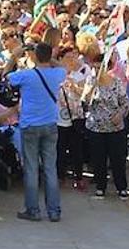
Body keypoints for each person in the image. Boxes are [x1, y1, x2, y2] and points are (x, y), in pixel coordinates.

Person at [6, 42, 66, 222]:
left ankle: (33, 210)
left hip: (29, 125)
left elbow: (6, 76)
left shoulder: (25, 75)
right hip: (50, 124)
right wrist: (47, 57)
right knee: (50, 168)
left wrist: (14, 56)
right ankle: (54, 211)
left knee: (31, 169)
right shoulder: (57, 73)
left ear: (34, 56)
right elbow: (61, 66)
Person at [83, 53, 129, 198]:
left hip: (114, 127)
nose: (97, 70)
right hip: (96, 126)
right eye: (95, 67)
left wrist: (120, 114)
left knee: (118, 159)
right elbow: (85, 103)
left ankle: (121, 187)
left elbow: (125, 102)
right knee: (99, 158)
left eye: (100, 67)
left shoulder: (116, 82)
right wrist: (92, 87)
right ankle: (100, 186)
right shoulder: (90, 81)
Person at [56, 45, 87, 189]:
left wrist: (74, 86)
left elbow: (85, 94)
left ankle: (78, 176)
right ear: (60, 59)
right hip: (59, 116)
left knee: (77, 148)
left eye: (73, 57)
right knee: (60, 147)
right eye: (67, 58)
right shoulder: (55, 74)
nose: (71, 61)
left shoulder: (80, 73)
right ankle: (60, 176)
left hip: (76, 115)